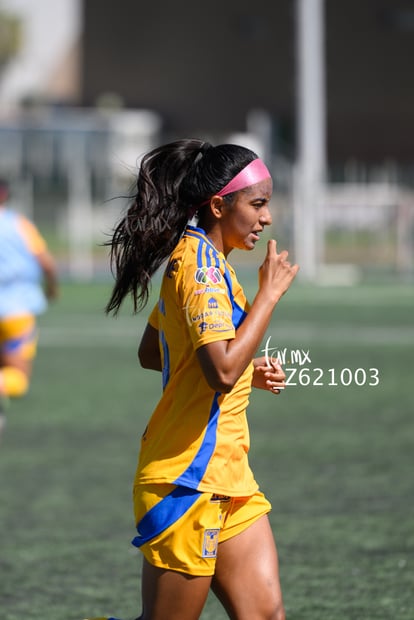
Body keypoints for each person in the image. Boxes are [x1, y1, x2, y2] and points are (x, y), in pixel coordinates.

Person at [91, 139, 299, 620]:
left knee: (265, 615)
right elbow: (220, 371)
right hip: (186, 480)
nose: (267, 218)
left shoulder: (206, 262)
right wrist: (268, 297)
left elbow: (154, 352)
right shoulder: (201, 271)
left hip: (230, 474)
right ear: (220, 204)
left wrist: (244, 366)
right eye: (258, 204)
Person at [0, 179, 59, 422]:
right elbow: (46, 262)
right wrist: (51, 289)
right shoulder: (18, 224)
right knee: (17, 378)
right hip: (15, 311)